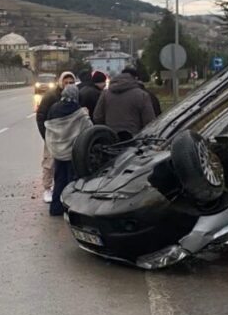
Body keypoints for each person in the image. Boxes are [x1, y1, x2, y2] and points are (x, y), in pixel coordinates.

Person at [43, 84, 92, 216]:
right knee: (72, 181)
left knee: (59, 180)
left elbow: (49, 125)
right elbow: (88, 129)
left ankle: (55, 208)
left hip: (57, 152)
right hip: (72, 153)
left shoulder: (54, 108)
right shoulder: (78, 110)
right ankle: (70, 210)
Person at [36, 71, 76, 202]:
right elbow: (41, 116)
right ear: (61, 82)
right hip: (52, 135)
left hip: (68, 136)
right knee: (49, 162)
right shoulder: (50, 96)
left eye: (71, 82)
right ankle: (47, 189)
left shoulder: (75, 95)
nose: (68, 85)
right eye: (66, 82)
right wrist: (45, 135)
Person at [93, 68, 157, 138]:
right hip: (135, 140)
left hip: (111, 139)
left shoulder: (105, 94)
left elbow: (97, 117)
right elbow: (150, 122)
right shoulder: (142, 95)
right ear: (135, 78)